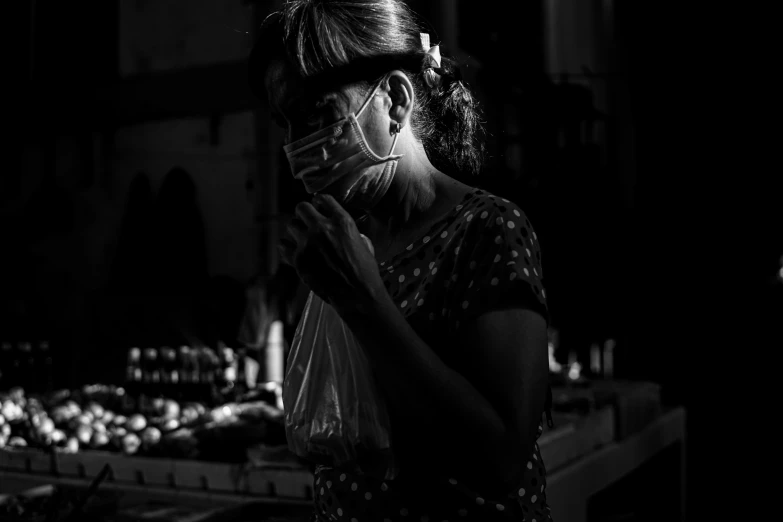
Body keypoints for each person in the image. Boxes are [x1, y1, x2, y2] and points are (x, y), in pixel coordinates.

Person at [248, 1, 553, 520]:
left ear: (393, 100)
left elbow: (501, 456)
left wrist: (363, 298)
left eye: (317, 115)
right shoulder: (351, 246)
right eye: (287, 124)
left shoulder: (486, 230)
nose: (298, 147)